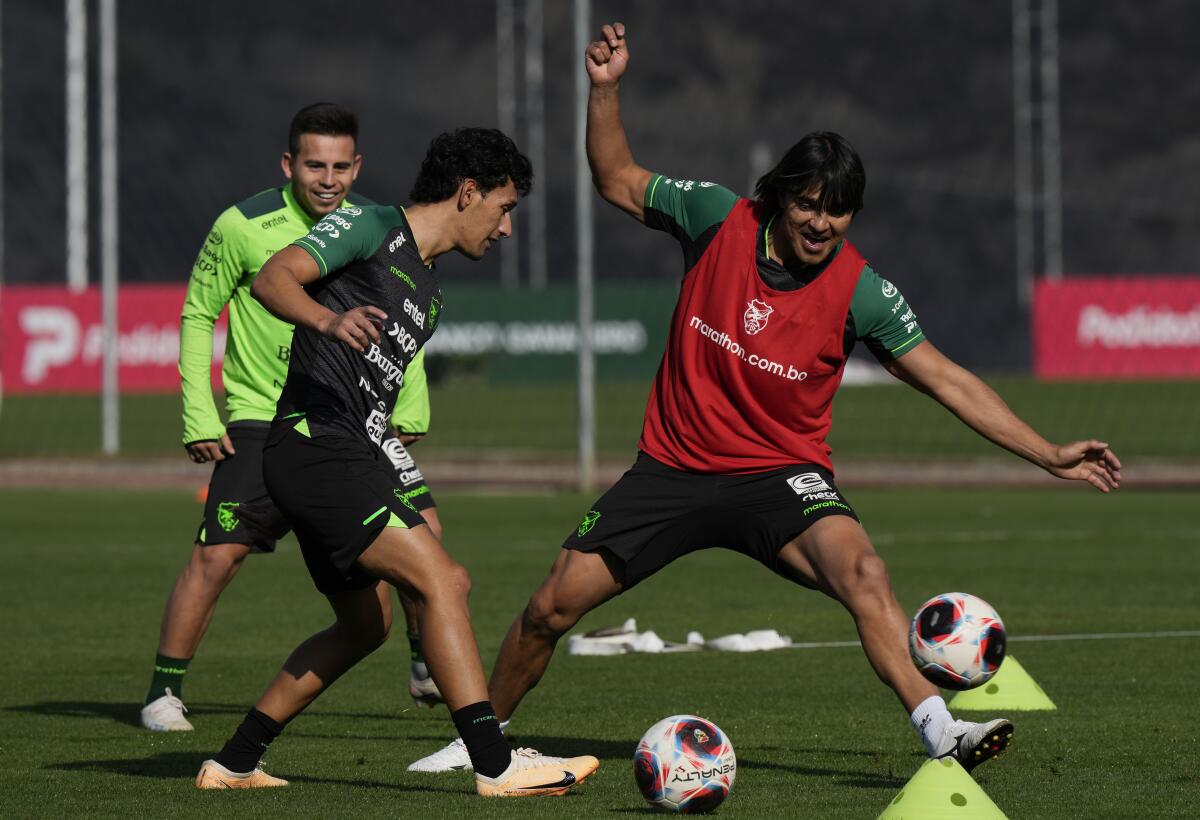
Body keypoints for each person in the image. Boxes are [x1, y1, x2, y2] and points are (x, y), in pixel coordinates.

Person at [406, 22, 1123, 776]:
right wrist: (607, 89)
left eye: (838, 211)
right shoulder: (718, 218)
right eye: (809, 204)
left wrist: (1047, 452)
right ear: (782, 197)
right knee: (551, 606)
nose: (821, 223)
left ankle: (943, 731)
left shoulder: (862, 291)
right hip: (671, 471)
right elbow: (616, 177)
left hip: (781, 477)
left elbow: (946, 378)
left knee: (865, 575)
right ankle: (479, 742)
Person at [194, 127, 599, 797]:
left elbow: (372, 405)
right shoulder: (370, 225)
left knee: (364, 627)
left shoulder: (430, 292)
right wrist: (327, 323)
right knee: (445, 581)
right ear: (468, 193)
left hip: (347, 449)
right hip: (311, 443)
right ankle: (496, 766)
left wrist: (400, 479)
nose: (504, 229)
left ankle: (235, 761)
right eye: (503, 208)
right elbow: (272, 278)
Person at [142, 103, 444, 734]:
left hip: (352, 418)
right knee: (218, 556)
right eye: (314, 165)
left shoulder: (376, 227)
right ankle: (163, 694)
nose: (328, 179)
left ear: (357, 165)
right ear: (289, 164)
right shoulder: (242, 225)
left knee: (426, 540)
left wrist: (409, 401)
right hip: (259, 418)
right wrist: (200, 411)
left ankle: (425, 666)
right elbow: (199, 314)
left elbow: (400, 323)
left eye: (340, 166)